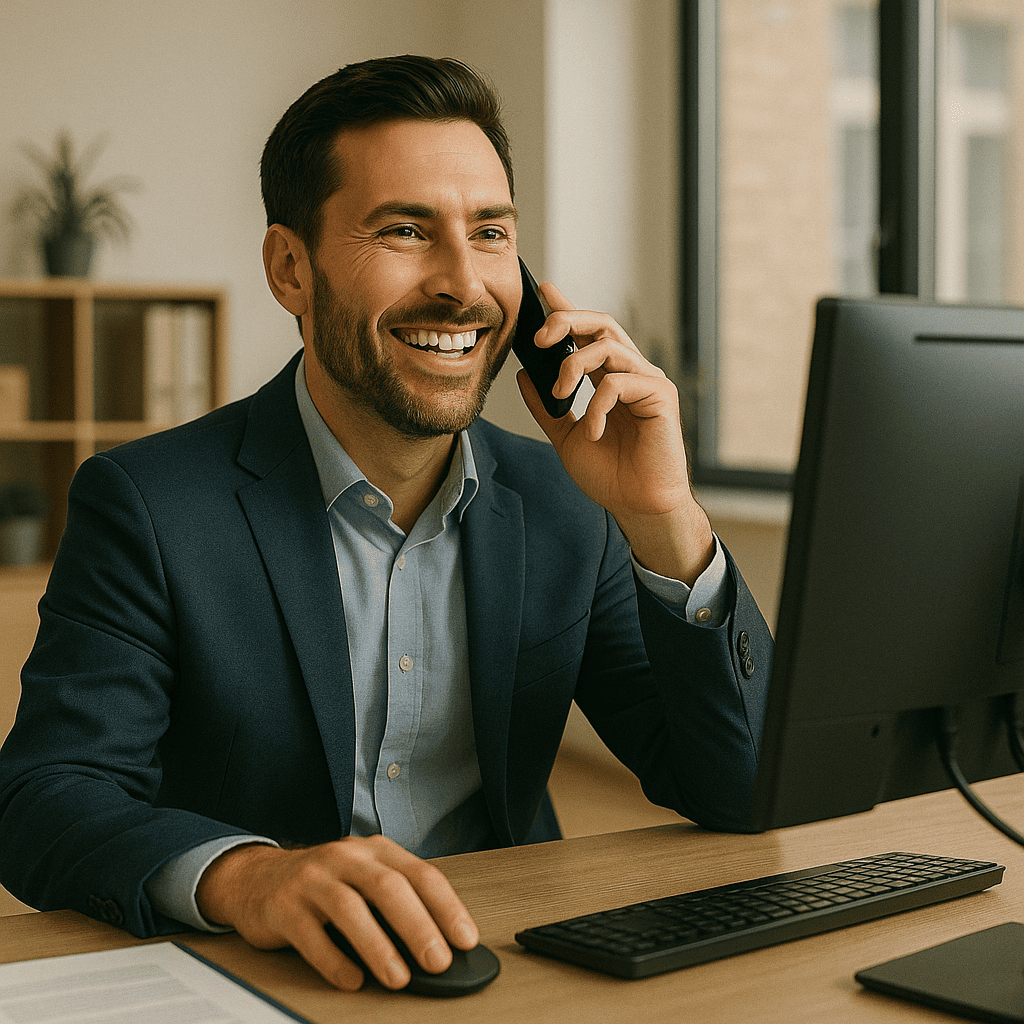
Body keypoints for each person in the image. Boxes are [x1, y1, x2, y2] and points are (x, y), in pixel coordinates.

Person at [0, 55, 772, 993]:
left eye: (490, 233)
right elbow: (44, 799)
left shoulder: (572, 504)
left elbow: (743, 790)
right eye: (406, 230)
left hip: (512, 964)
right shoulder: (148, 503)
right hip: (270, 977)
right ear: (292, 269)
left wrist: (664, 517)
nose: (463, 284)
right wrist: (251, 877)